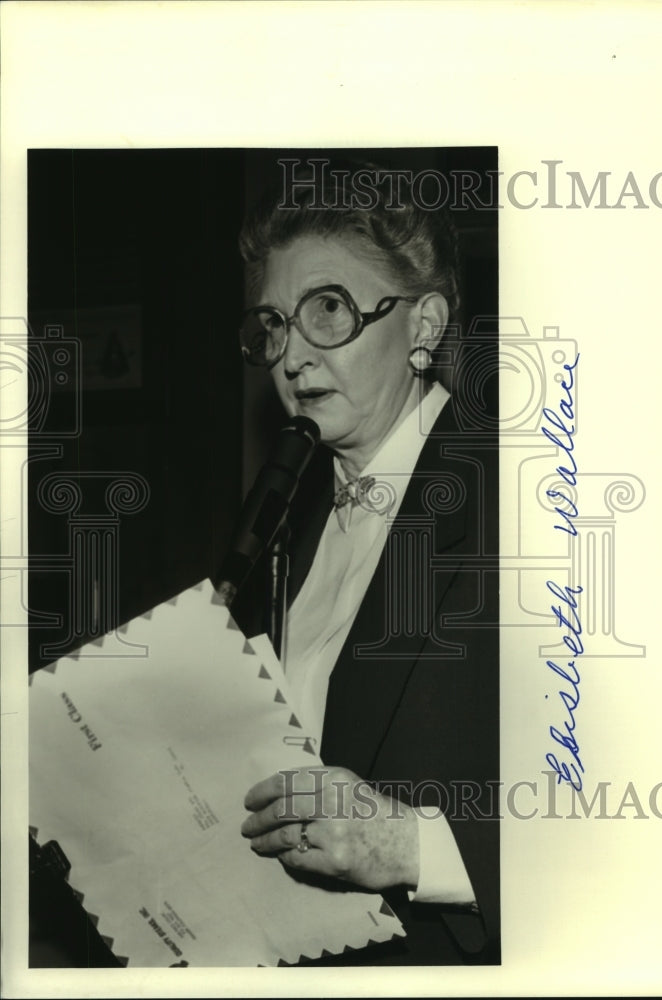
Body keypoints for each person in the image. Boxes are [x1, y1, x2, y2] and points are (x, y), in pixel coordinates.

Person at [229, 157, 499, 966]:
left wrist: (409, 848)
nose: (291, 356)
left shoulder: (529, 499)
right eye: (273, 324)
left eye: (328, 311)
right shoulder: (281, 519)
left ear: (423, 327)